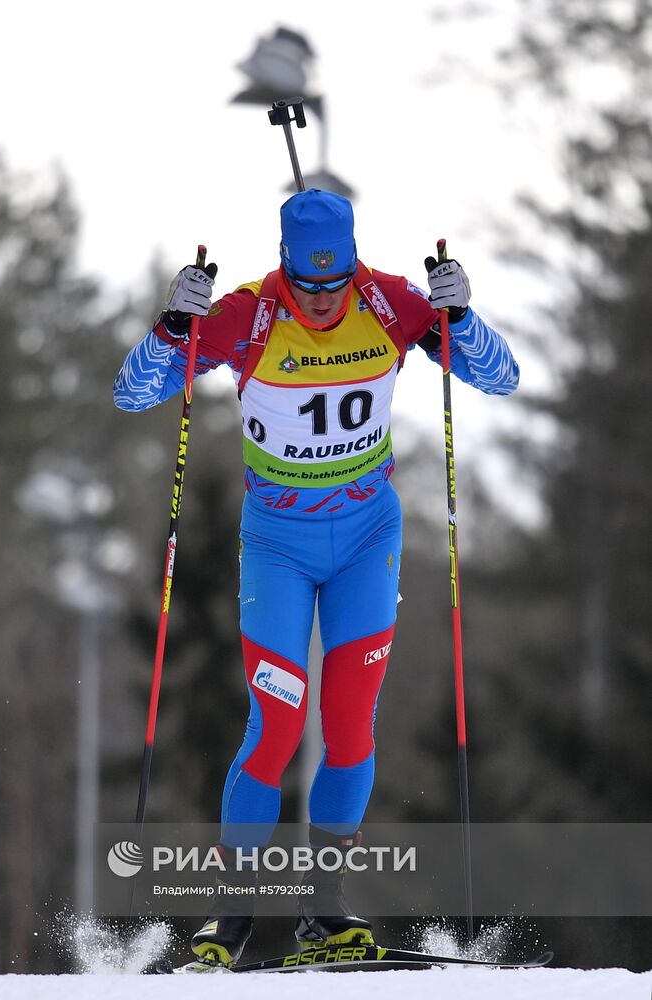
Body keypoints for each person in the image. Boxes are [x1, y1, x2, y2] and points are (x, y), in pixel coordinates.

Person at [114, 189, 519, 966]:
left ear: (353, 262)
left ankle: (324, 914)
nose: (325, 302)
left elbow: (499, 381)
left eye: (336, 286)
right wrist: (171, 329)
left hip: (368, 538)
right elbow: (132, 394)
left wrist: (461, 318)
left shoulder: (393, 303)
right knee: (272, 726)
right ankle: (229, 917)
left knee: (350, 729)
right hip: (278, 545)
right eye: (309, 287)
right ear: (284, 268)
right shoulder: (246, 316)